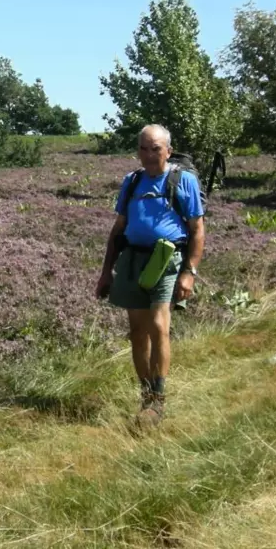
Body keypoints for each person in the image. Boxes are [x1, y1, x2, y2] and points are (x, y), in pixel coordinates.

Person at [95, 124, 205, 425]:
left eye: (155, 148)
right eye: (143, 148)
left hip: (167, 260)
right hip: (132, 259)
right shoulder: (131, 182)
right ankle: (146, 394)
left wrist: (189, 272)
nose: (148, 155)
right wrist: (107, 272)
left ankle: (158, 399)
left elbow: (196, 229)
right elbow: (118, 229)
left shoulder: (183, 181)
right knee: (136, 333)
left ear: (168, 150)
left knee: (158, 325)